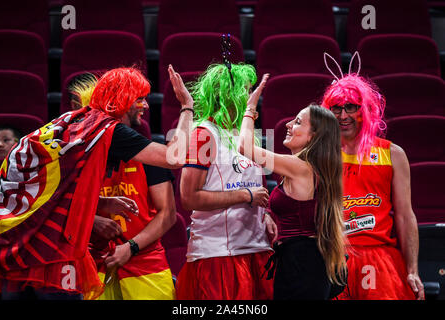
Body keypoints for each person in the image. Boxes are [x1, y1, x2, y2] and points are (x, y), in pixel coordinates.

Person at [0, 65, 193, 300]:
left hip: (18, 237)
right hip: (69, 258)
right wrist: (186, 107)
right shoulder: (108, 129)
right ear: (124, 99)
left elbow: (57, 188)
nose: (146, 106)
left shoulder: (77, 124)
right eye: (140, 99)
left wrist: (97, 203)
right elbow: (175, 157)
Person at [238, 74, 347, 300]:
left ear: (313, 136)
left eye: (297, 122)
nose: (288, 124)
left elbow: (245, 147)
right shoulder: (307, 167)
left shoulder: (301, 167)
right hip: (302, 261)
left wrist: (250, 109)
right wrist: (269, 215)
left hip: (303, 264)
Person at [69, 77, 177, 300]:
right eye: (139, 100)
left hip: (145, 263)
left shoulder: (149, 154)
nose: (146, 106)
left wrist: (131, 247)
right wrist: (93, 220)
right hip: (92, 264)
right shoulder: (77, 153)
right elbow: (59, 206)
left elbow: (168, 214)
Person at [176, 63, 277, 300]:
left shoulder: (244, 135)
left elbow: (254, 187)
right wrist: (244, 195)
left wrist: (266, 214)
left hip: (256, 249)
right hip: (219, 254)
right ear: (226, 94)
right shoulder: (204, 134)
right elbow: (189, 198)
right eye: (245, 89)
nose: (250, 96)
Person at [321, 69, 424, 300]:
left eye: (351, 107)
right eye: (336, 108)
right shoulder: (319, 155)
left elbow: (405, 216)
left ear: (365, 110)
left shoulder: (393, 154)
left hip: (379, 257)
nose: (343, 115)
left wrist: (412, 270)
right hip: (333, 255)